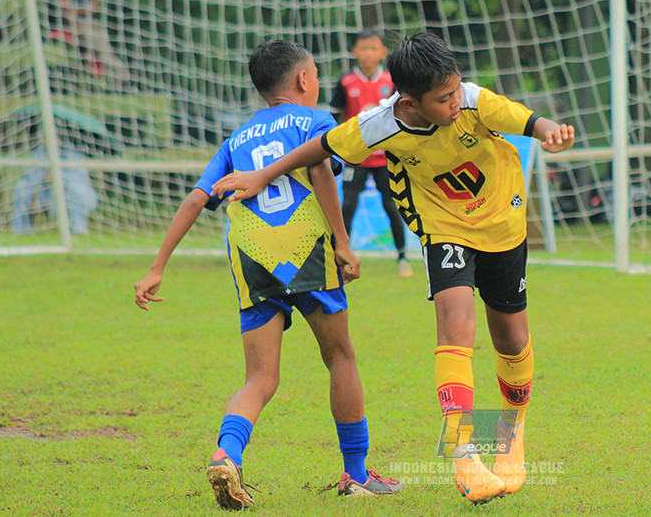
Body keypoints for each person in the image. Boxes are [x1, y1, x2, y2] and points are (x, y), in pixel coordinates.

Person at [211, 31, 576, 504]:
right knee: (455, 325)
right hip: (445, 230)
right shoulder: (379, 125)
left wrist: (553, 134)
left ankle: (510, 433)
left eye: (455, 91)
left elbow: (533, 122)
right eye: (442, 98)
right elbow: (319, 148)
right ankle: (465, 455)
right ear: (409, 101)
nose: (453, 102)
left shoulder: (473, 100)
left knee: (511, 339)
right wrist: (265, 173)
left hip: (504, 226)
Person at [133, 40, 402, 508]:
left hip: (252, 254)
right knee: (340, 357)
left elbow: (198, 198)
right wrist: (342, 241)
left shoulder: (235, 140)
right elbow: (320, 167)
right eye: (315, 75)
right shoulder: (316, 120)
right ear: (302, 80)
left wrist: (158, 267)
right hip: (305, 249)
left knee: (260, 377)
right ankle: (356, 474)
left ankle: (226, 453)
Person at [330, 29, 412, 277]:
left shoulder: (390, 81)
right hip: (355, 157)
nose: (368, 53)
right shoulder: (346, 82)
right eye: (363, 48)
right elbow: (335, 117)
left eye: (373, 48)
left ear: (382, 53)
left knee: (391, 205)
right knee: (349, 206)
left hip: (384, 156)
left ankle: (402, 258)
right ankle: (341, 254)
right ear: (354, 51)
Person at [60, 0, 130, 90]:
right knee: (96, 43)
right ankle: (119, 75)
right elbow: (66, 7)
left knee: (104, 43)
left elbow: (93, 7)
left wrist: (79, 9)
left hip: (91, 22)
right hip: (74, 24)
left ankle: (120, 76)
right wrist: (80, 11)